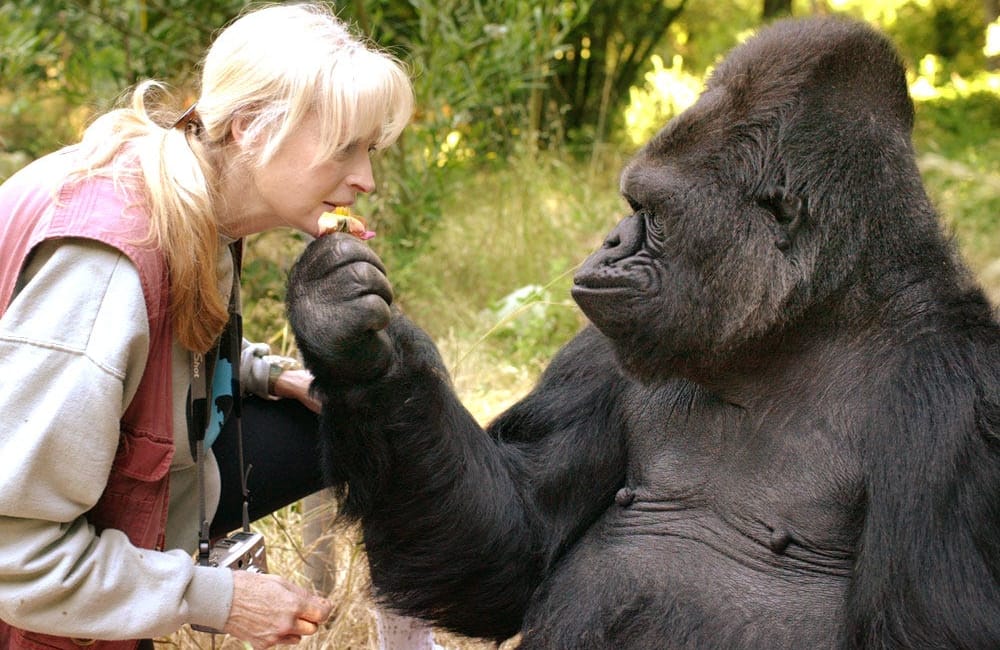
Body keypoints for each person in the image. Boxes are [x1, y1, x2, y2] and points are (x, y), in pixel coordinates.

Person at [0, 3, 417, 649]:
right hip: (24, 559)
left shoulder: (182, 190)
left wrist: (266, 373)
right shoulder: (105, 268)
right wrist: (217, 599)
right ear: (251, 126)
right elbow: (12, 555)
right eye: (344, 150)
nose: (364, 178)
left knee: (362, 419)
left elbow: (144, 352)